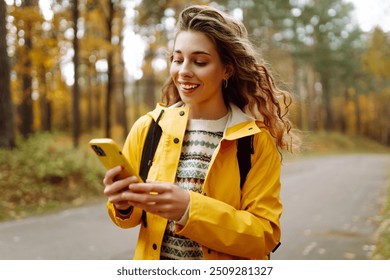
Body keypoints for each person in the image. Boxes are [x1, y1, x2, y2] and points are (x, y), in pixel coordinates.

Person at [103, 4, 299, 260]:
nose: (184, 71)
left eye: (200, 61)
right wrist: (123, 204)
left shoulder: (254, 142)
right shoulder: (149, 128)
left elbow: (264, 237)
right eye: (177, 59)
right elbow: (130, 219)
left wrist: (188, 209)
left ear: (227, 70)